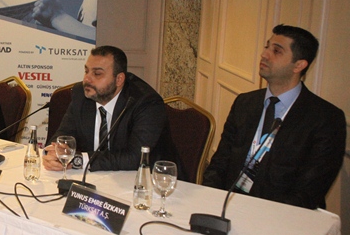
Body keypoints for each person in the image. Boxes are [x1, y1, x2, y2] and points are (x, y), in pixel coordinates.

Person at [202, 24, 346, 209]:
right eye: (266, 47)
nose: (264, 54)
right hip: (229, 204)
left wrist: (258, 215)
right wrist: (210, 201)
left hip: (281, 214)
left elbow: (308, 192)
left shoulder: (325, 119)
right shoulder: (245, 103)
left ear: (299, 65)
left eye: (276, 51)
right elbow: (219, 164)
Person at [42, 45, 183, 175]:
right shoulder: (81, 94)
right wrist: (56, 152)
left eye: (97, 74)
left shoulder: (146, 102)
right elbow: (62, 136)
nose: (87, 79)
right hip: (96, 178)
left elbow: (135, 158)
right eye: (86, 71)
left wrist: (78, 159)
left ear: (119, 79)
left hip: (150, 181)